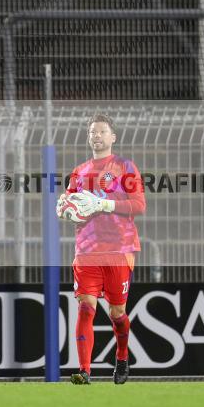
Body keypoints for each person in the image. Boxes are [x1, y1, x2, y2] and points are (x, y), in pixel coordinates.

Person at [57, 114, 145, 384]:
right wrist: (65, 208)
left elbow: (139, 206)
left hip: (119, 250)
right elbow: (71, 207)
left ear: (113, 137)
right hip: (86, 250)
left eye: (103, 131)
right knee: (86, 305)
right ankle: (84, 370)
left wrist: (104, 204)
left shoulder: (125, 167)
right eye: (93, 132)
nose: (97, 135)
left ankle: (121, 355)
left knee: (117, 313)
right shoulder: (79, 172)